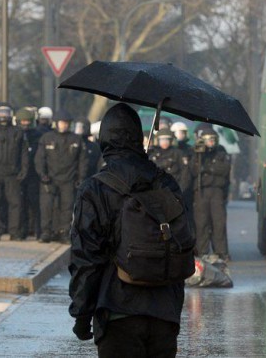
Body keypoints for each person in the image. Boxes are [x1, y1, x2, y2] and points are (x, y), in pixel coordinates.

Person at [69, 103, 185, 357]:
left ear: (105, 139)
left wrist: (81, 314)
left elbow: (86, 257)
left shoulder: (95, 189)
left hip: (117, 311)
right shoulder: (166, 182)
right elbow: (182, 243)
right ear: (137, 138)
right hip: (164, 312)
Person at [35, 109, 88, 243]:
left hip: (68, 179)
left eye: (66, 123)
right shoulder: (47, 138)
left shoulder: (76, 139)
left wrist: (81, 178)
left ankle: (64, 233)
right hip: (49, 180)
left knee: (67, 208)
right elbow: (39, 159)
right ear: (56, 123)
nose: (63, 125)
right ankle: (46, 233)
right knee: (46, 207)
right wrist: (42, 174)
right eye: (61, 123)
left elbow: (82, 161)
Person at [0, 103, 28, 241]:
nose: (4, 115)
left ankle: (15, 232)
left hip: (13, 174)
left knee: (15, 203)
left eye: (6, 112)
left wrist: (24, 169)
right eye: (1, 113)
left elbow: (23, 153)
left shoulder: (17, 131)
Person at [191, 128, 231, 260]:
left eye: (213, 139)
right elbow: (193, 170)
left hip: (216, 191)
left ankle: (221, 251)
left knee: (218, 223)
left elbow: (224, 170)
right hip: (201, 191)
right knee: (201, 223)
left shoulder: (221, 151)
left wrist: (207, 169)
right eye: (208, 140)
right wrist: (199, 155)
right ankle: (202, 251)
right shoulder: (197, 152)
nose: (210, 142)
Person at [16, 107, 42, 239]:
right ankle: (22, 231)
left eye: (27, 121)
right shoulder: (15, 134)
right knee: (20, 205)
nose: (25, 124)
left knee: (35, 204)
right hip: (18, 175)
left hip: (34, 174)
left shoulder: (38, 135)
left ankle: (37, 230)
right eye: (23, 121)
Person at [148, 128, 191, 192]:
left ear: (171, 141)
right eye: (162, 139)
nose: (164, 142)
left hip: (174, 188)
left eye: (167, 139)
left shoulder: (178, 153)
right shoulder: (152, 154)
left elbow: (185, 174)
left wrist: (180, 190)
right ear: (158, 140)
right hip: (157, 190)